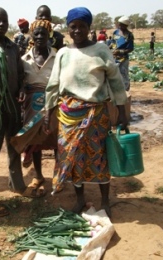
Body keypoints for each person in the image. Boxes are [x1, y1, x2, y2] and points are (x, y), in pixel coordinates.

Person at [43, 7, 128, 217]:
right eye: (73, 26)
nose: (77, 31)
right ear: (68, 28)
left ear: (89, 28)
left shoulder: (100, 50)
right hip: (68, 116)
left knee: (99, 158)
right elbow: (53, 86)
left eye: (82, 26)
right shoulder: (63, 53)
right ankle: (80, 198)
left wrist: (122, 112)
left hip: (96, 115)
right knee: (72, 160)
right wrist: (47, 113)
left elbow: (116, 82)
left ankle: (105, 201)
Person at [0, 7, 44, 217]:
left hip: (12, 107)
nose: (2, 25)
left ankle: (19, 186)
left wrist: (22, 88)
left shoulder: (13, 48)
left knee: (15, 148)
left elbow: (21, 74)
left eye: (5, 21)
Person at [17, 19, 57, 195]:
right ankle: (39, 175)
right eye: (37, 33)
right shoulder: (24, 59)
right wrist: (21, 90)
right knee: (35, 141)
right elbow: (20, 81)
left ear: (50, 35)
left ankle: (58, 175)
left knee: (55, 140)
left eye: (44, 33)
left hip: (53, 102)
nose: (40, 36)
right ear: (32, 35)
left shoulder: (58, 56)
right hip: (31, 104)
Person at [111, 16, 134, 91]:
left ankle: (126, 93)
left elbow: (130, 48)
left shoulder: (129, 35)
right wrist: (108, 48)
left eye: (122, 25)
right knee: (113, 75)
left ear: (126, 25)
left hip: (123, 59)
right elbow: (112, 42)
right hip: (114, 57)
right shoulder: (116, 32)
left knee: (124, 75)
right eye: (119, 24)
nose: (120, 26)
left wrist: (120, 51)